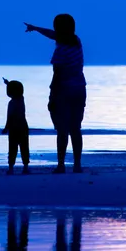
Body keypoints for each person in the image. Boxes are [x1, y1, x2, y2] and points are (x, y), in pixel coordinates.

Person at [24, 14, 86, 174]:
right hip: (79, 89)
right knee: (75, 129)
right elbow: (54, 35)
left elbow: (57, 75)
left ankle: (61, 164)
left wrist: (51, 97)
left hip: (64, 91)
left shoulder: (61, 51)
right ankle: (77, 165)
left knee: (63, 130)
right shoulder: (76, 42)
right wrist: (36, 28)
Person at [2, 79, 30, 174]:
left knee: (12, 148)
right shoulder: (21, 99)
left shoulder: (12, 103)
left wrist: (6, 128)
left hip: (14, 127)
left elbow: (9, 117)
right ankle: (25, 167)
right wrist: (8, 83)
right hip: (23, 126)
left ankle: (11, 168)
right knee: (24, 147)